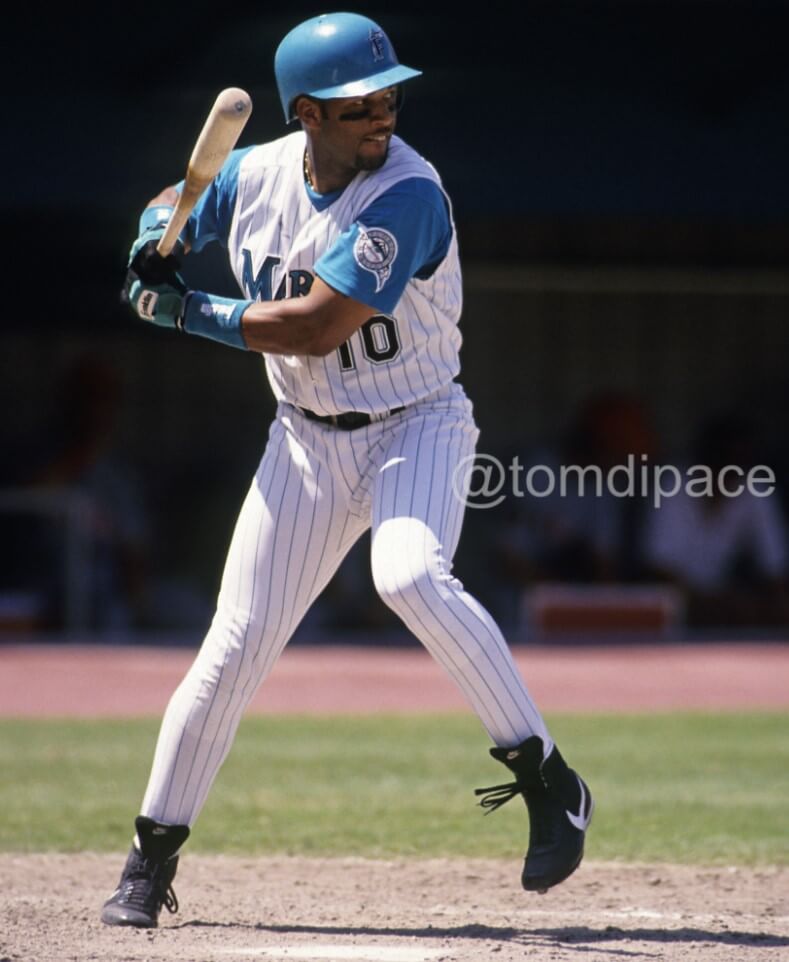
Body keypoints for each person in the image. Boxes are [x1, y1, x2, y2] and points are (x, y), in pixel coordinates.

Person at [101, 13, 593, 928]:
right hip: (304, 438)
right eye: (357, 103)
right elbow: (179, 199)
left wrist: (177, 309)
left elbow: (315, 325)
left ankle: (547, 776)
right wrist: (151, 237)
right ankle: (149, 856)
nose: (382, 114)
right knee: (234, 647)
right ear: (305, 115)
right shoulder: (251, 174)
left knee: (406, 574)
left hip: (419, 421)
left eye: (388, 96)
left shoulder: (407, 192)